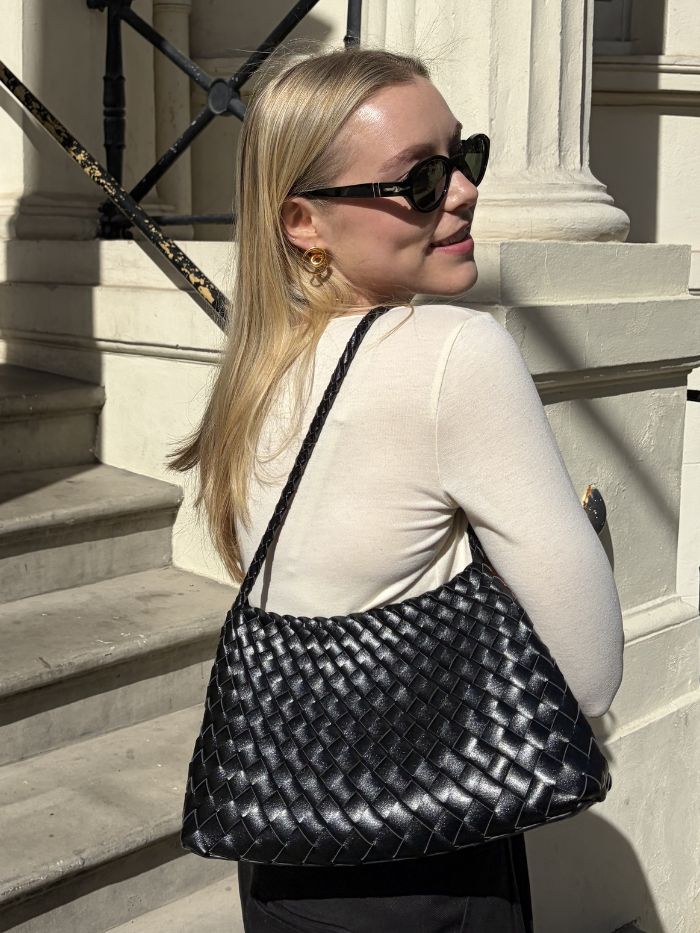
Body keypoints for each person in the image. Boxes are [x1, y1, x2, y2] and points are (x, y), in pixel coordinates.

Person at [168, 43, 624, 933]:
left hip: (279, 850)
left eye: (465, 156)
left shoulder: (259, 372)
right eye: (418, 180)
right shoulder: (454, 351)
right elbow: (592, 674)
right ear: (304, 220)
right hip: (431, 858)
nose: (462, 191)